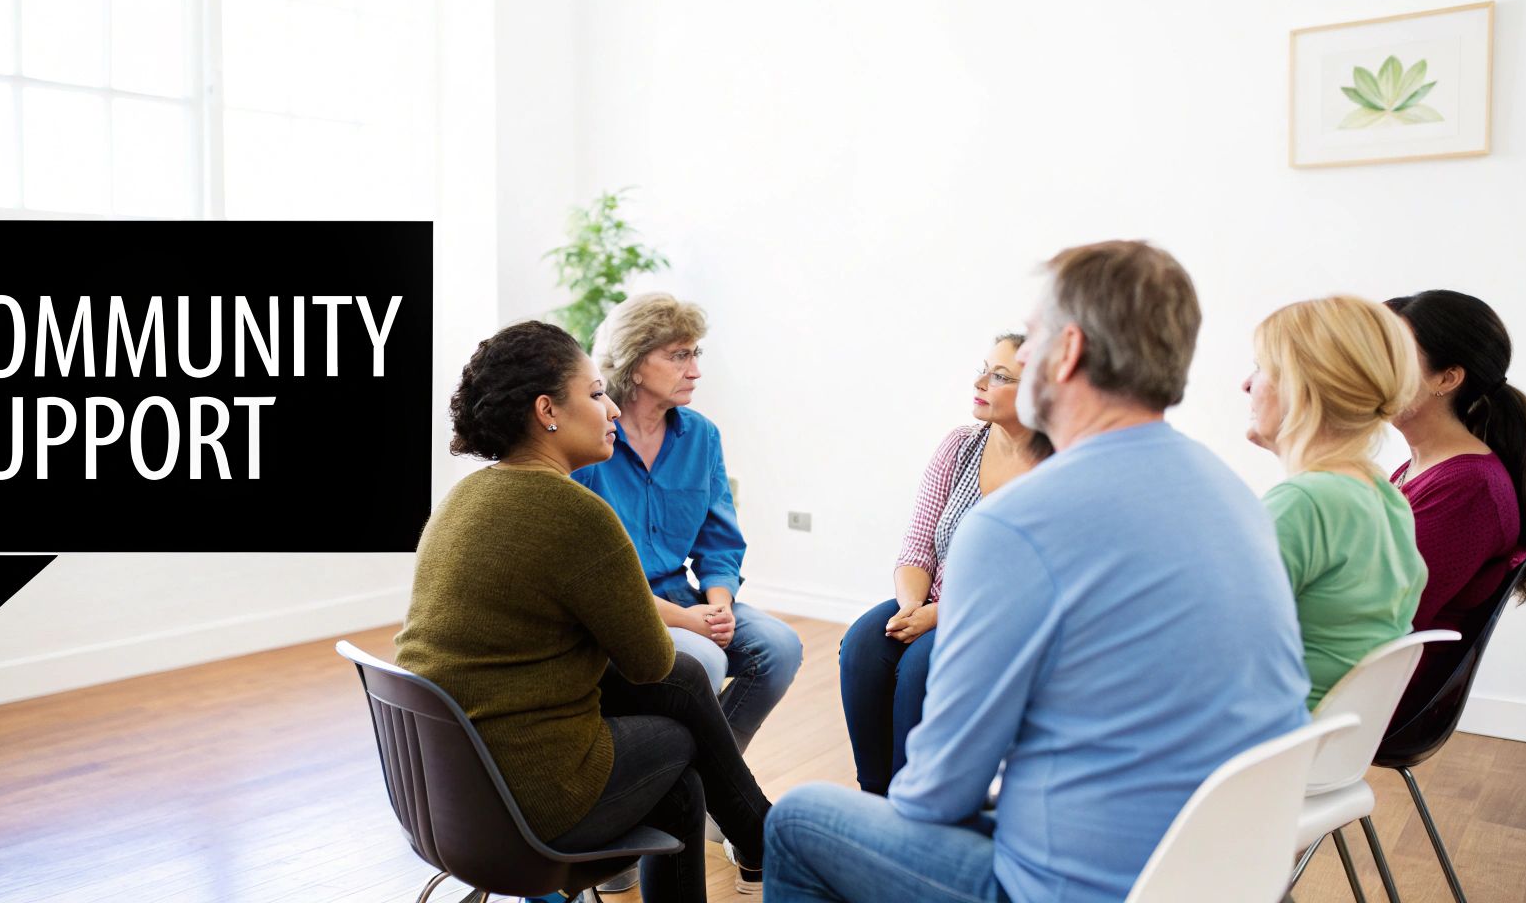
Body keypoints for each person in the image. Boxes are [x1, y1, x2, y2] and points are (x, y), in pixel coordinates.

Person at [764, 241, 1310, 903]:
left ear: (1069, 350)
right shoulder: (1233, 496)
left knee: (797, 820)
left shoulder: (1021, 521)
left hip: (1075, 890)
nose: (1021, 356)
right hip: (1228, 878)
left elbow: (937, 793)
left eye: (1034, 337)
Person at [395, 321, 771, 900]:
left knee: (680, 749)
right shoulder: (575, 512)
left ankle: (761, 835)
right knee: (680, 726)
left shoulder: (463, 498)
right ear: (548, 410)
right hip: (529, 798)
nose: (613, 409)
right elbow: (649, 663)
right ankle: (765, 839)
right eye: (596, 395)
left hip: (438, 796)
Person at [573, 292, 804, 753]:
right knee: (701, 662)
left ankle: (713, 774)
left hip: (684, 595)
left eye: (695, 353)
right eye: (679, 355)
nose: (695, 369)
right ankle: (700, 784)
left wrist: (719, 605)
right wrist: (690, 622)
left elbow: (719, 542)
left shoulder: (701, 435)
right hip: (622, 608)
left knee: (780, 647)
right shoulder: (592, 440)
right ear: (635, 364)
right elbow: (591, 578)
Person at [838, 333, 1051, 795]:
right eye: (983, 368)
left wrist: (940, 615)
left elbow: (1028, 583)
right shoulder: (960, 445)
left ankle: (908, 803)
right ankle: (872, 798)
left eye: (999, 376)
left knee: (921, 666)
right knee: (861, 644)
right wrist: (913, 605)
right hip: (929, 602)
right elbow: (918, 545)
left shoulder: (1055, 469)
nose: (979, 381)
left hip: (1000, 618)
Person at [1243, 296, 1428, 709]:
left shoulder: (1304, 504)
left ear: (1301, 386)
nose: (1246, 385)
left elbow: (1216, 645)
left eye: (1260, 368)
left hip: (1262, 744)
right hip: (1322, 744)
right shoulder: (1384, 495)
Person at [1385, 290, 1526, 716]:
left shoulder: (1467, 487)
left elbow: (1386, 615)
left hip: (1377, 695)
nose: (1367, 368)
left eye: (1392, 354)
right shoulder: (1422, 469)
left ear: (1446, 379)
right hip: (1362, 675)